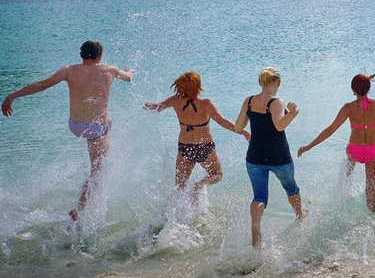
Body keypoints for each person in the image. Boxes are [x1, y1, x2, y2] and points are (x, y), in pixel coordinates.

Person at [1, 41, 133, 221]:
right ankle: (80, 208)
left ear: (81, 55)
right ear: (99, 56)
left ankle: (101, 145)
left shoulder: (68, 70)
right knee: (98, 168)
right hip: (95, 129)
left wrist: (12, 95)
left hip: (75, 126)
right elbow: (128, 77)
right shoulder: (110, 70)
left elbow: (41, 85)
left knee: (108, 122)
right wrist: (129, 71)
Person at [298, 74, 375, 212]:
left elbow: (330, 131)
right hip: (373, 152)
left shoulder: (348, 108)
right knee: (371, 189)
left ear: (353, 90)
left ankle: (345, 184)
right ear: (369, 88)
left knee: (348, 168)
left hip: (354, 150)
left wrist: (308, 147)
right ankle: (373, 218)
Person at [144, 72, 250, 204]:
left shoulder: (175, 100)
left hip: (185, 147)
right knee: (216, 174)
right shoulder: (205, 104)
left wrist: (145, 105)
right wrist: (243, 132)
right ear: (198, 87)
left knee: (179, 185)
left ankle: (173, 214)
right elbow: (222, 121)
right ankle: (200, 184)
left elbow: (157, 108)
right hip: (204, 146)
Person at [234, 67, 305, 248]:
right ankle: (299, 215)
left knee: (259, 196)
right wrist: (293, 113)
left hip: (255, 155)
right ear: (278, 82)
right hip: (278, 156)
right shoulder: (276, 102)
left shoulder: (249, 101)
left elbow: (238, 126)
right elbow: (279, 126)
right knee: (291, 187)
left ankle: (256, 224)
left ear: (260, 83)